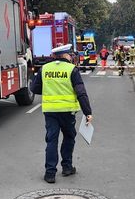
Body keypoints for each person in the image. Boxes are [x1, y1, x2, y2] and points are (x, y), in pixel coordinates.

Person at [30, 44, 93, 184]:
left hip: (50, 111)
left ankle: (50, 173)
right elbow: (81, 92)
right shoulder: (72, 69)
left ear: (54, 56)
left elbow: (34, 88)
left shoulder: (44, 69)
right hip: (68, 111)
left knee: (51, 140)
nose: (71, 57)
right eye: (70, 54)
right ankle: (67, 167)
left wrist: (50, 90)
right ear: (66, 55)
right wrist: (87, 112)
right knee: (69, 138)